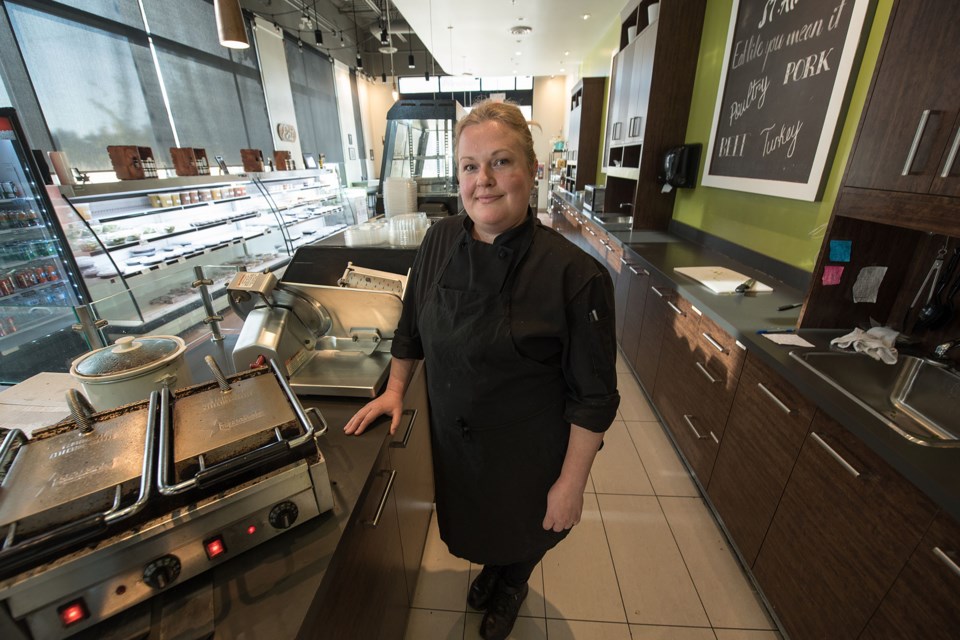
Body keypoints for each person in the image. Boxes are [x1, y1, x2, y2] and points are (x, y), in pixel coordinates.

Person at [344, 99, 620, 640]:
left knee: (528, 526)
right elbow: (412, 325)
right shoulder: (441, 239)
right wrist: (395, 388)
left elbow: (593, 398)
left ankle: (512, 581)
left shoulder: (576, 275)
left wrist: (571, 482)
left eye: (501, 162)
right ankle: (497, 567)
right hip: (459, 440)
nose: (484, 181)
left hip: (529, 449)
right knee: (480, 523)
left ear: (532, 170)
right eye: (471, 167)